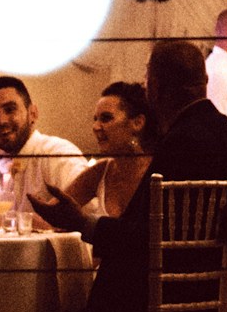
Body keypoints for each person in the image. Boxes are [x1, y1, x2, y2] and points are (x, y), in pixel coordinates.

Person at [22, 41, 227, 312]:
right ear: (204, 83)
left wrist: (83, 223)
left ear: (153, 88)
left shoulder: (180, 144)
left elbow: (148, 238)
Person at [48, 81, 151, 222]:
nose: (95, 127)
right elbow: (52, 214)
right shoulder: (101, 171)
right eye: (95, 119)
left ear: (137, 123)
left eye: (106, 118)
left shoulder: (156, 169)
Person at [0, 75, 84, 211]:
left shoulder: (56, 153)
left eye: (10, 109)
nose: (1, 121)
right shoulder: (6, 164)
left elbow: (88, 217)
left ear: (33, 114)